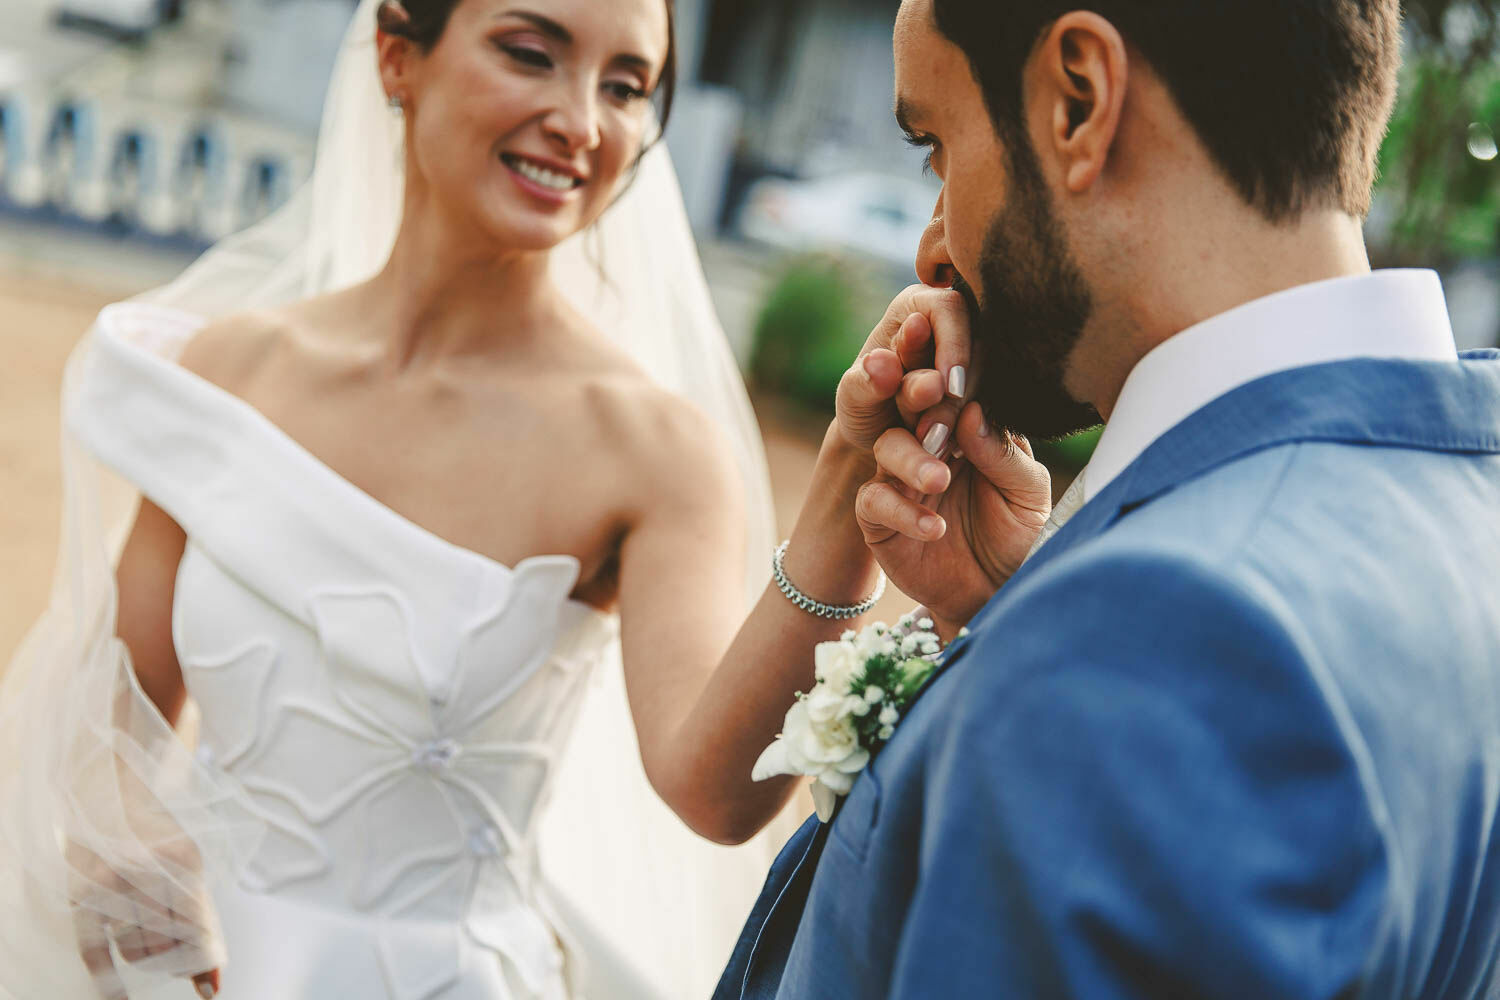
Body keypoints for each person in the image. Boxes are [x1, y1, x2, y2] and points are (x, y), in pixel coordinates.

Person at [0, 0, 967, 997]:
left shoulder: (651, 451)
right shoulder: (232, 372)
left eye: (626, 87)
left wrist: (847, 485)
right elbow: (115, 695)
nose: (581, 122)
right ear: (396, 56)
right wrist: (124, 833)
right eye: (530, 53)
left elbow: (714, 793)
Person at [716, 0, 1500, 996]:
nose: (931, 250)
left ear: (1079, 101)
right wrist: (1007, 615)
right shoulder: (1467, 499)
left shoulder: (1150, 641)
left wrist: (1059, 649)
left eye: (938, 147)